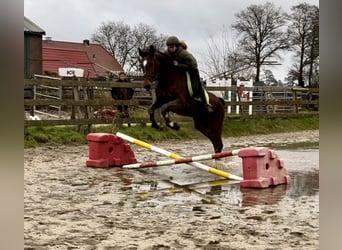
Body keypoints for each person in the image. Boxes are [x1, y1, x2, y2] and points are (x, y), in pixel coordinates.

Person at [165, 36, 213, 112]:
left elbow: (193, 65)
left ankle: (206, 104)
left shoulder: (184, 54)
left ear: (176, 46)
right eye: (169, 47)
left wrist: (179, 65)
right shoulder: (167, 53)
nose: (170, 49)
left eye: (172, 47)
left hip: (191, 70)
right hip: (179, 72)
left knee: (196, 86)